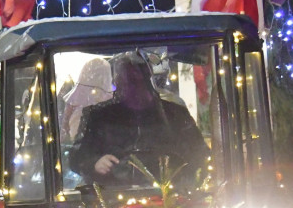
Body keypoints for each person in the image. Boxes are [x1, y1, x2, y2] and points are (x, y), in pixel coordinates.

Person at [68, 51, 208, 188]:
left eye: (136, 77)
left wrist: (186, 182)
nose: (131, 84)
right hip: (112, 199)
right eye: (125, 78)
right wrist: (94, 163)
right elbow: (76, 157)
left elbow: (201, 155)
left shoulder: (175, 115)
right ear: (117, 81)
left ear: (148, 78)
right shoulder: (100, 117)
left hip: (172, 199)